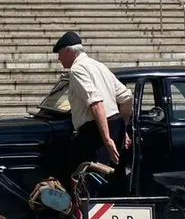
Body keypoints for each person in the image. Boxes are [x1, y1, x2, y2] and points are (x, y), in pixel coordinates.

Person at [53, 31, 133, 184]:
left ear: (69, 51)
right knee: (112, 177)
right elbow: (126, 98)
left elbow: (96, 103)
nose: (58, 58)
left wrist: (107, 138)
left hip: (96, 130)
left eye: (60, 53)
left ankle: (87, 207)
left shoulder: (77, 69)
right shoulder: (99, 66)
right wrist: (123, 128)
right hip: (114, 123)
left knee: (89, 178)